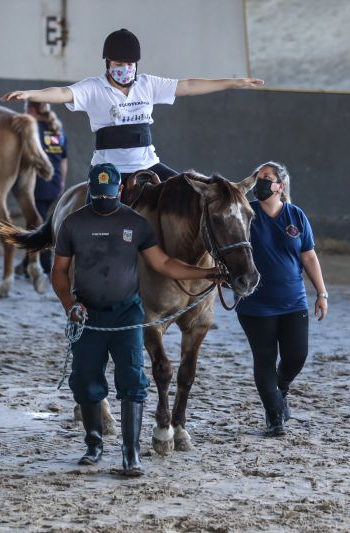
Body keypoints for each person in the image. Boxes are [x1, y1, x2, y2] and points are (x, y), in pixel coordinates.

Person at [52, 163, 222, 476]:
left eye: (109, 193)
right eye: (98, 194)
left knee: (132, 382)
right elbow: (59, 271)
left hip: (127, 313)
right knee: (87, 379)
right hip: (88, 313)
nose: (104, 199)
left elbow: (165, 264)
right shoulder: (73, 224)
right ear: (91, 191)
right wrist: (69, 303)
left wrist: (208, 273)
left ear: (120, 190)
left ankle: (130, 454)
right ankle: (94, 445)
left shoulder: (136, 223)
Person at [2, 28, 264, 184]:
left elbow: (188, 86)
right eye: (118, 65)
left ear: (136, 64)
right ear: (108, 64)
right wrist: (31, 93)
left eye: (129, 64)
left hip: (149, 165)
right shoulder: (93, 88)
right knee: (91, 218)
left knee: (192, 192)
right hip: (108, 170)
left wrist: (233, 82)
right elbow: (61, 92)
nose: (124, 69)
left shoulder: (149, 85)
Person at [235, 161, 328, 437]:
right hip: (255, 303)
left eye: (267, 177)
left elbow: (309, 256)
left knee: (297, 355)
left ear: (280, 186)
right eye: (258, 177)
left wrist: (321, 293)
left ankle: (280, 388)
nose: (261, 181)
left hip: (293, 301)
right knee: (264, 359)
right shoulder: (245, 214)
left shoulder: (296, 216)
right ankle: (275, 416)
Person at [15, 100, 67, 275]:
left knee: (38, 224)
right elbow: (64, 160)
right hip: (55, 181)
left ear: (30, 109)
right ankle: (26, 263)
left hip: (38, 180)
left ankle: (44, 264)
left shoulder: (32, 128)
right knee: (40, 220)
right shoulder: (57, 129)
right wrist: (61, 182)